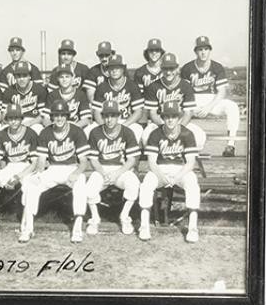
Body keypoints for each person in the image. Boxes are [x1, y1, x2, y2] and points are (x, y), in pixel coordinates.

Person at [20, 100, 89, 243]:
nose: (59, 118)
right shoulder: (46, 132)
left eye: (62, 115)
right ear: (52, 116)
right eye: (56, 115)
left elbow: (84, 162)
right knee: (32, 184)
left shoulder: (77, 131)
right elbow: (41, 159)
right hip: (52, 169)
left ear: (67, 116)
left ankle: (77, 226)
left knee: (81, 182)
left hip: (71, 168)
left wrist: (76, 173)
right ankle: (29, 227)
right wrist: (39, 174)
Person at [138, 101, 200, 243]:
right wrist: (163, 177)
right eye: (167, 116)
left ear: (179, 118)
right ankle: (144, 225)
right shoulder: (155, 133)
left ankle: (192, 227)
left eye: (174, 116)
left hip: (180, 170)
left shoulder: (187, 133)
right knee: (147, 183)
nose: (170, 119)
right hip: (160, 169)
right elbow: (152, 162)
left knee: (192, 182)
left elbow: (190, 162)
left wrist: (176, 178)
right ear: (162, 118)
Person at [86, 100, 140, 236]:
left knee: (133, 183)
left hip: (121, 170)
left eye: (113, 115)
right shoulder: (95, 132)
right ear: (103, 116)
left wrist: (117, 173)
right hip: (101, 169)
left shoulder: (127, 132)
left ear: (119, 116)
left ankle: (125, 217)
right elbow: (93, 159)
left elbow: (132, 159)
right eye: (106, 116)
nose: (109, 119)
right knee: (90, 187)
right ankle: (95, 219)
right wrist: (103, 173)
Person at [180, 35, 240, 157]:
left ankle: (231, 145)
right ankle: (176, 145)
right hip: (193, 100)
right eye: (200, 49)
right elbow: (184, 92)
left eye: (205, 49)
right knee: (176, 110)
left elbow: (221, 92)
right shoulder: (187, 68)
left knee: (232, 106)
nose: (203, 52)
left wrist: (208, 107)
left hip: (213, 100)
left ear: (209, 50)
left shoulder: (217, 67)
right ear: (195, 51)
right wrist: (191, 107)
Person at [142, 52, 206, 149]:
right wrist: (164, 127)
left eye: (171, 68)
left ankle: (185, 155)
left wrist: (179, 128)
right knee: (146, 137)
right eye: (165, 68)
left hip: (180, 121)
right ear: (161, 68)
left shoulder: (186, 86)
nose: (168, 72)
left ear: (177, 68)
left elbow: (188, 113)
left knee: (200, 136)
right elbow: (153, 113)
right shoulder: (153, 86)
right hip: (160, 122)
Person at [0, 104, 39, 209]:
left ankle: (26, 217)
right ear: (6, 119)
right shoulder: (1, 134)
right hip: (10, 165)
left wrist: (18, 177)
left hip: (26, 166)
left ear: (21, 118)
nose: (13, 121)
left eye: (16, 118)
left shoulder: (31, 133)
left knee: (29, 185)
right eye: (10, 118)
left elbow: (35, 163)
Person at [91, 54, 144, 143]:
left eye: (117, 67)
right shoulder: (102, 87)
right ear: (108, 70)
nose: (114, 70)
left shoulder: (132, 85)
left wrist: (124, 126)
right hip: (106, 121)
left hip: (126, 121)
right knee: (89, 130)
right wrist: (104, 126)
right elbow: (96, 112)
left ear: (123, 69)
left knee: (137, 130)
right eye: (111, 68)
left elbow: (138, 112)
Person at [2, 60, 48, 134]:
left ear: (29, 76)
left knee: (38, 129)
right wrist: (14, 123)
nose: (22, 79)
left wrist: (29, 123)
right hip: (14, 121)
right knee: (3, 131)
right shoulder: (9, 91)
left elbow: (42, 116)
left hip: (33, 121)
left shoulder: (39, 89)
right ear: (15, 77)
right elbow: (3, 115)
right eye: (18, 76)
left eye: (24, 75)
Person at [44, 63, 92, 129]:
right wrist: (54, 128)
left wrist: (71, 129)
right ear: (57, 78)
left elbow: (86, 119)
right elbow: (45, 118)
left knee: (90, 127)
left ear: (73, 78)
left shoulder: (80, 94)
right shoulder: (52, 95)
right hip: (57, 127)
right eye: (61, 77)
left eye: (67, 77)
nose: (64, 80)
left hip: (76, 126)